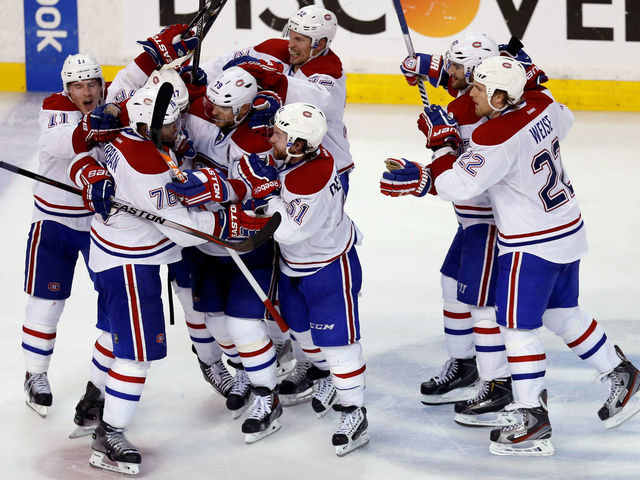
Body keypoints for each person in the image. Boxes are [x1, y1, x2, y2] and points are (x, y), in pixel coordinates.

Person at [385, 55, 640, 456]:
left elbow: (457, 186)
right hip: (567, 228)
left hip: (530, 243)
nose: (471, 93)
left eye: (480, 89)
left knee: (516, 329)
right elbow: (565, 118)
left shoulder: (495, 135)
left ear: (502, 97)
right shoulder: (542, 104)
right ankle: (621, 372)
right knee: (562, 314)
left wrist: (442, 145)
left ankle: (531, 417)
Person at [77, 83, 267, 474]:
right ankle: (109, 434)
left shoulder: (130, 138)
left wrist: (91, 173)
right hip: (131, 265)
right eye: (171, 123)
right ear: (149, 125)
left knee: (112, 333)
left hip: (113, 253)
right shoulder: (147, 165)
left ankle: (93, 400)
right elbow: (181, 228)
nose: (178, 127)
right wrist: (230, 221)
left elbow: (86, 158)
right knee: (136, 354)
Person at [394, 34, 548, 426]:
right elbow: (458, 84)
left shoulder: (483, 115)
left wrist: (439, 151)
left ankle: (498, 385)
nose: (452, 71)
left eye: (459, 67)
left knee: (483, 305)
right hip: (471, 218)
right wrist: (430, 66)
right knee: (451, 285)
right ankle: (465, 365)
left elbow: (466, 178)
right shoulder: (474, 100)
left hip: (490, 221)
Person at [200, 6, 352, 395]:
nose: (292, 44)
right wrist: (197, 74)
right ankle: (295, 347)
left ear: (321, 43)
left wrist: (274, 78)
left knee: (305, 257)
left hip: (322, 171)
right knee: (284, 269)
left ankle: (319, 361)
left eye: (301, 40)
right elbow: (227, 66)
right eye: (291, 35)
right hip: (282, 166)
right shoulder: (274, 48)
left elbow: (314, 103)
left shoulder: (329, 71)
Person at [238, 102, 368, 456]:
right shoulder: (302, 157)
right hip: (295, 266)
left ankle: (354, 413)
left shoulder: (310, 177)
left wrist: (267, 193)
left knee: (338, 345)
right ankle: (324, 377)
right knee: (301, 333)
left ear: (297, 144)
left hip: (329, 268)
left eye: (279, 135)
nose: (272, 138)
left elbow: (287, 231)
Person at [20, 52, 121, 418]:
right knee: (46, 302)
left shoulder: (114, 105)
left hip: (99, 225)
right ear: (67, 89)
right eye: (78, 86)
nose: (87, 92)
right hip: (53, 222)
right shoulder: (55, 106)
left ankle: (99, 385)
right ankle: (35, 374)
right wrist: (91, 128)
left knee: (114, 302)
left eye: (92, 84)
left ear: (102, 84)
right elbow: (60, 144)